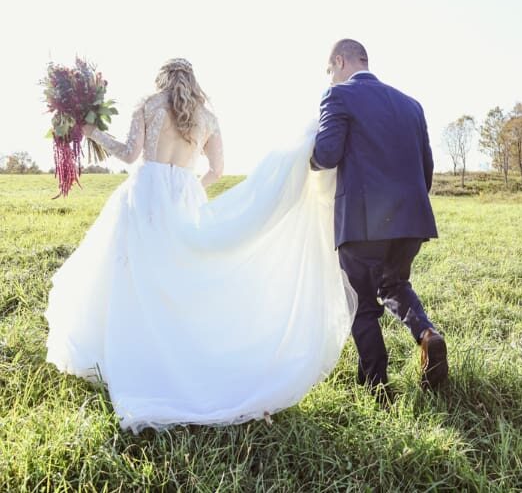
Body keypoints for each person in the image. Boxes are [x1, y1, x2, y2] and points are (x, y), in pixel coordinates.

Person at [44, 57, 357, 433]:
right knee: (179, 278)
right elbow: (217, 170)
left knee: (133, 277)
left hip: (145, 196)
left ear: (162, 78)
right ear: (192, 80)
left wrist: (92, 132)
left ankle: (135, 357)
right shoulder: (208, 117)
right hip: (184, 198)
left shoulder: (148, 104)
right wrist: (188, 190)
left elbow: (129, 154)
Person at [311, 39, 448, 398]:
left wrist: (299, 166)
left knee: (362, 304)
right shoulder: (411, 105)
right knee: (394, 285)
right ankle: (427, 335)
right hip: (411, 220)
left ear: (339, 61)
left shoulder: (338, 97)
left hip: (362, 221)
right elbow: (426, 168)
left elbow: (325, 155)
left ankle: (376, 385)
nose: (330, 79)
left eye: (330, 71)